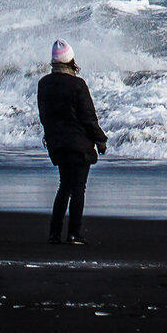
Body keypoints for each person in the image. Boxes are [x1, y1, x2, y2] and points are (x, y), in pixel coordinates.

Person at [37, 39, 108, 245]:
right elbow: (88, 117)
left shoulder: (44, 84)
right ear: (70, 60)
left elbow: (44, 116)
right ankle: (74, 233)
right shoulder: (78, 85)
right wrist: (100, 140)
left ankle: (54, 233)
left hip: (57, 144)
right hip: (79, 145)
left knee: (64, 186)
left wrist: (51, 137)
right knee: (78, 189)